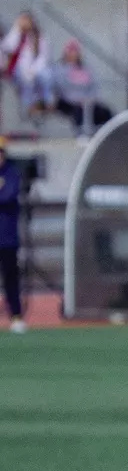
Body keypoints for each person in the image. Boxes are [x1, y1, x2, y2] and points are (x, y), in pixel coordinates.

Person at [50, 41, 112, 136]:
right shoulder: (60, 69)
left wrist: (90, 99)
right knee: (79, 111)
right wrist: (77, 99)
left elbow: (93, 86)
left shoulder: (85, 68)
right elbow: (61, 88)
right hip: (68, 101)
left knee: (105, 111)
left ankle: (108, 134)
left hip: (87, 101)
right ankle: (81, 135)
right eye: (71, 51)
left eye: (75, 51)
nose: (74, 54)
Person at [0, 138, 23, 334]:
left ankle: (16, 315)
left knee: (10, 278)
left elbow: (8, 196)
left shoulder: (11, 173)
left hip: (6, 238)